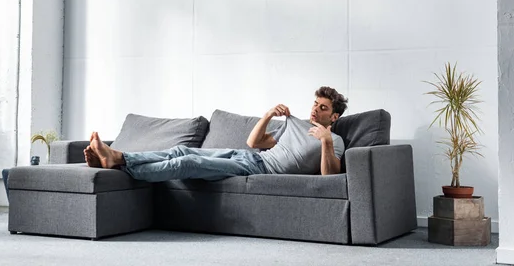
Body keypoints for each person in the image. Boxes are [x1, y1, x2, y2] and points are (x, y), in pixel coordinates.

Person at [84, 86, 348, 182]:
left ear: (333, 117)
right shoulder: (295, 124)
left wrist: (325, 141)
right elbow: (254, 142)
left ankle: (118, 164)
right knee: (181, 151)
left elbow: (330, 175)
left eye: (322, 108)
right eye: (315, 103)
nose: (315, 109)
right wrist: (269, 115)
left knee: (187, 163)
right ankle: (118, 157)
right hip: (249, 157)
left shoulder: (335, 141)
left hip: (258, 171)